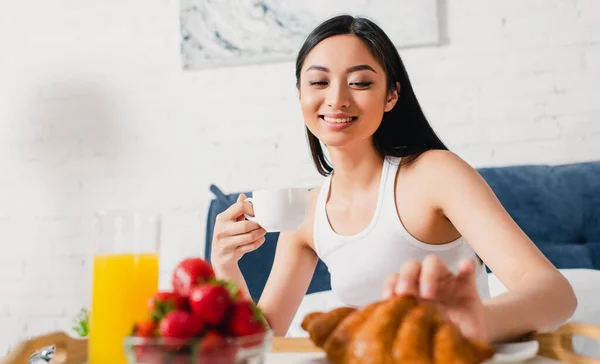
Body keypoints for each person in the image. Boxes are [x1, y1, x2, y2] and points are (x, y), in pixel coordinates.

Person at [210, 15, 577, 343]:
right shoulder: (305, 213)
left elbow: (555, 293)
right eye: (319, 82)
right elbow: (263, 343)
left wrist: (477, 322)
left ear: (391, 95)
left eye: (360, 82)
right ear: (301, 95)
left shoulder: (436, 174)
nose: (336, 98)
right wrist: (225, 267)